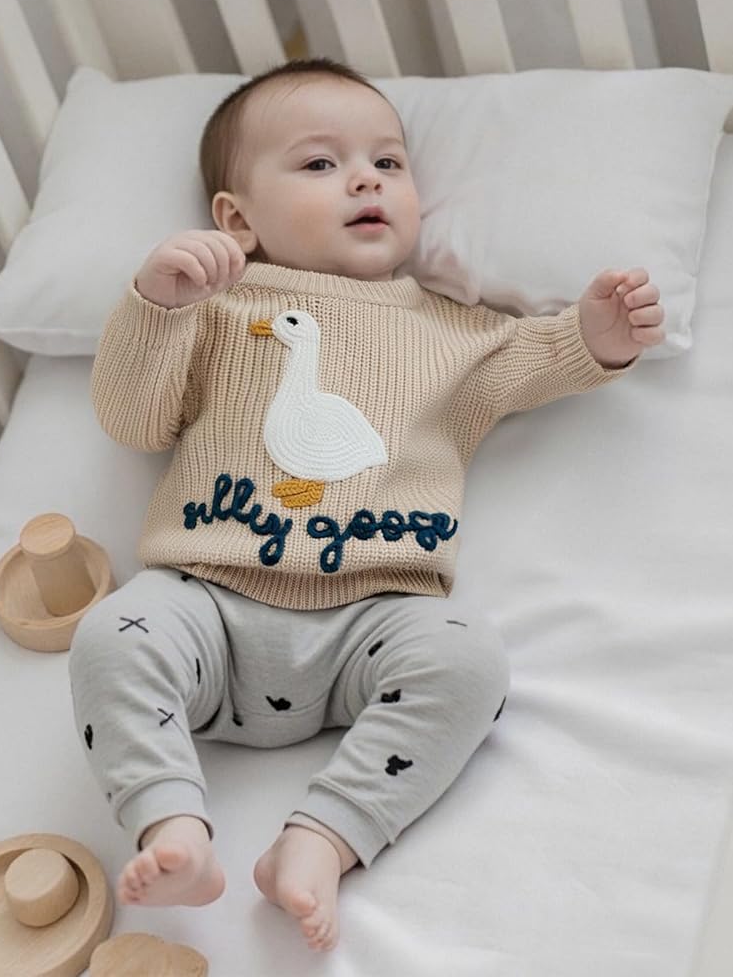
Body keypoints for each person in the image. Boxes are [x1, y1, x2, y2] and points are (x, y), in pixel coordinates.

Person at [69, 57, 665, 952]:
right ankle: (173, 826)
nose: (365, 180)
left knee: (470, 662)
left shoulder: (450, 328)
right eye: (320, 164)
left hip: (374, 621)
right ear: (238, 220)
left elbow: (534, 361)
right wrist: (157, 305)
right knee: (111, 638)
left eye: (388, 162)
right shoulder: (221, 310)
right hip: (208, 603)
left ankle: (321, 840)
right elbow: (132, 417)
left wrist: (598, 336)